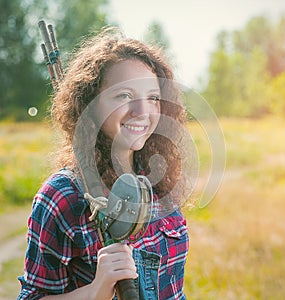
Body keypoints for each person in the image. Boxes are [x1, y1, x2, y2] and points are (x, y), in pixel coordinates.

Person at [18, 28, 189, 300]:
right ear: (91, 105)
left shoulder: (157, 178)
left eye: (153, 98)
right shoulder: (62, 196)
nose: (142, 112)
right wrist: (97, 290)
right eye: (124, 96)